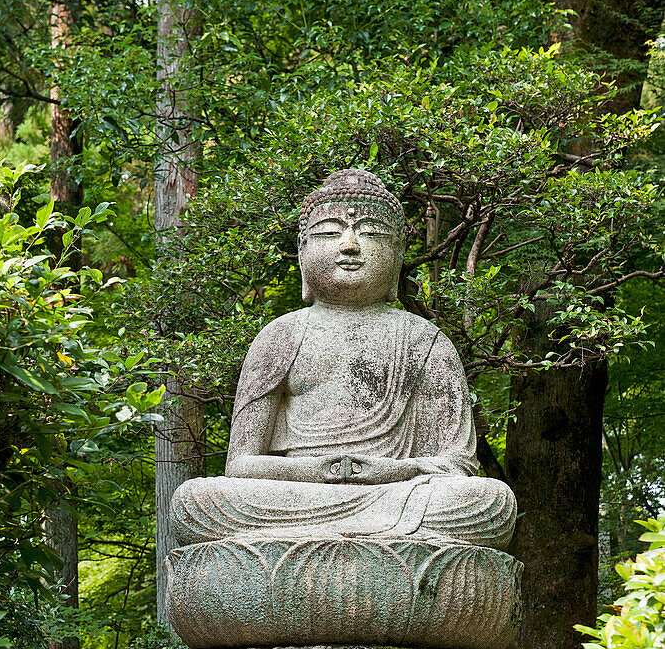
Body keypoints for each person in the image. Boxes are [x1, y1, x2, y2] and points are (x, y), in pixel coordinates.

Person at [171, 169, 516, 550]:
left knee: (489, 503)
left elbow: (457, 465)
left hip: (397, 494)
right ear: (303, 253)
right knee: (196, 501)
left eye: (370, 233)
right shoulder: (280, 336)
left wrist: (390, 471)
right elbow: (240, 465)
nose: (350, 245)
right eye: (329, 233)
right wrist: (318, 471)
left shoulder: (424, 340)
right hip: (297, 498)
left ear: (398, 255)